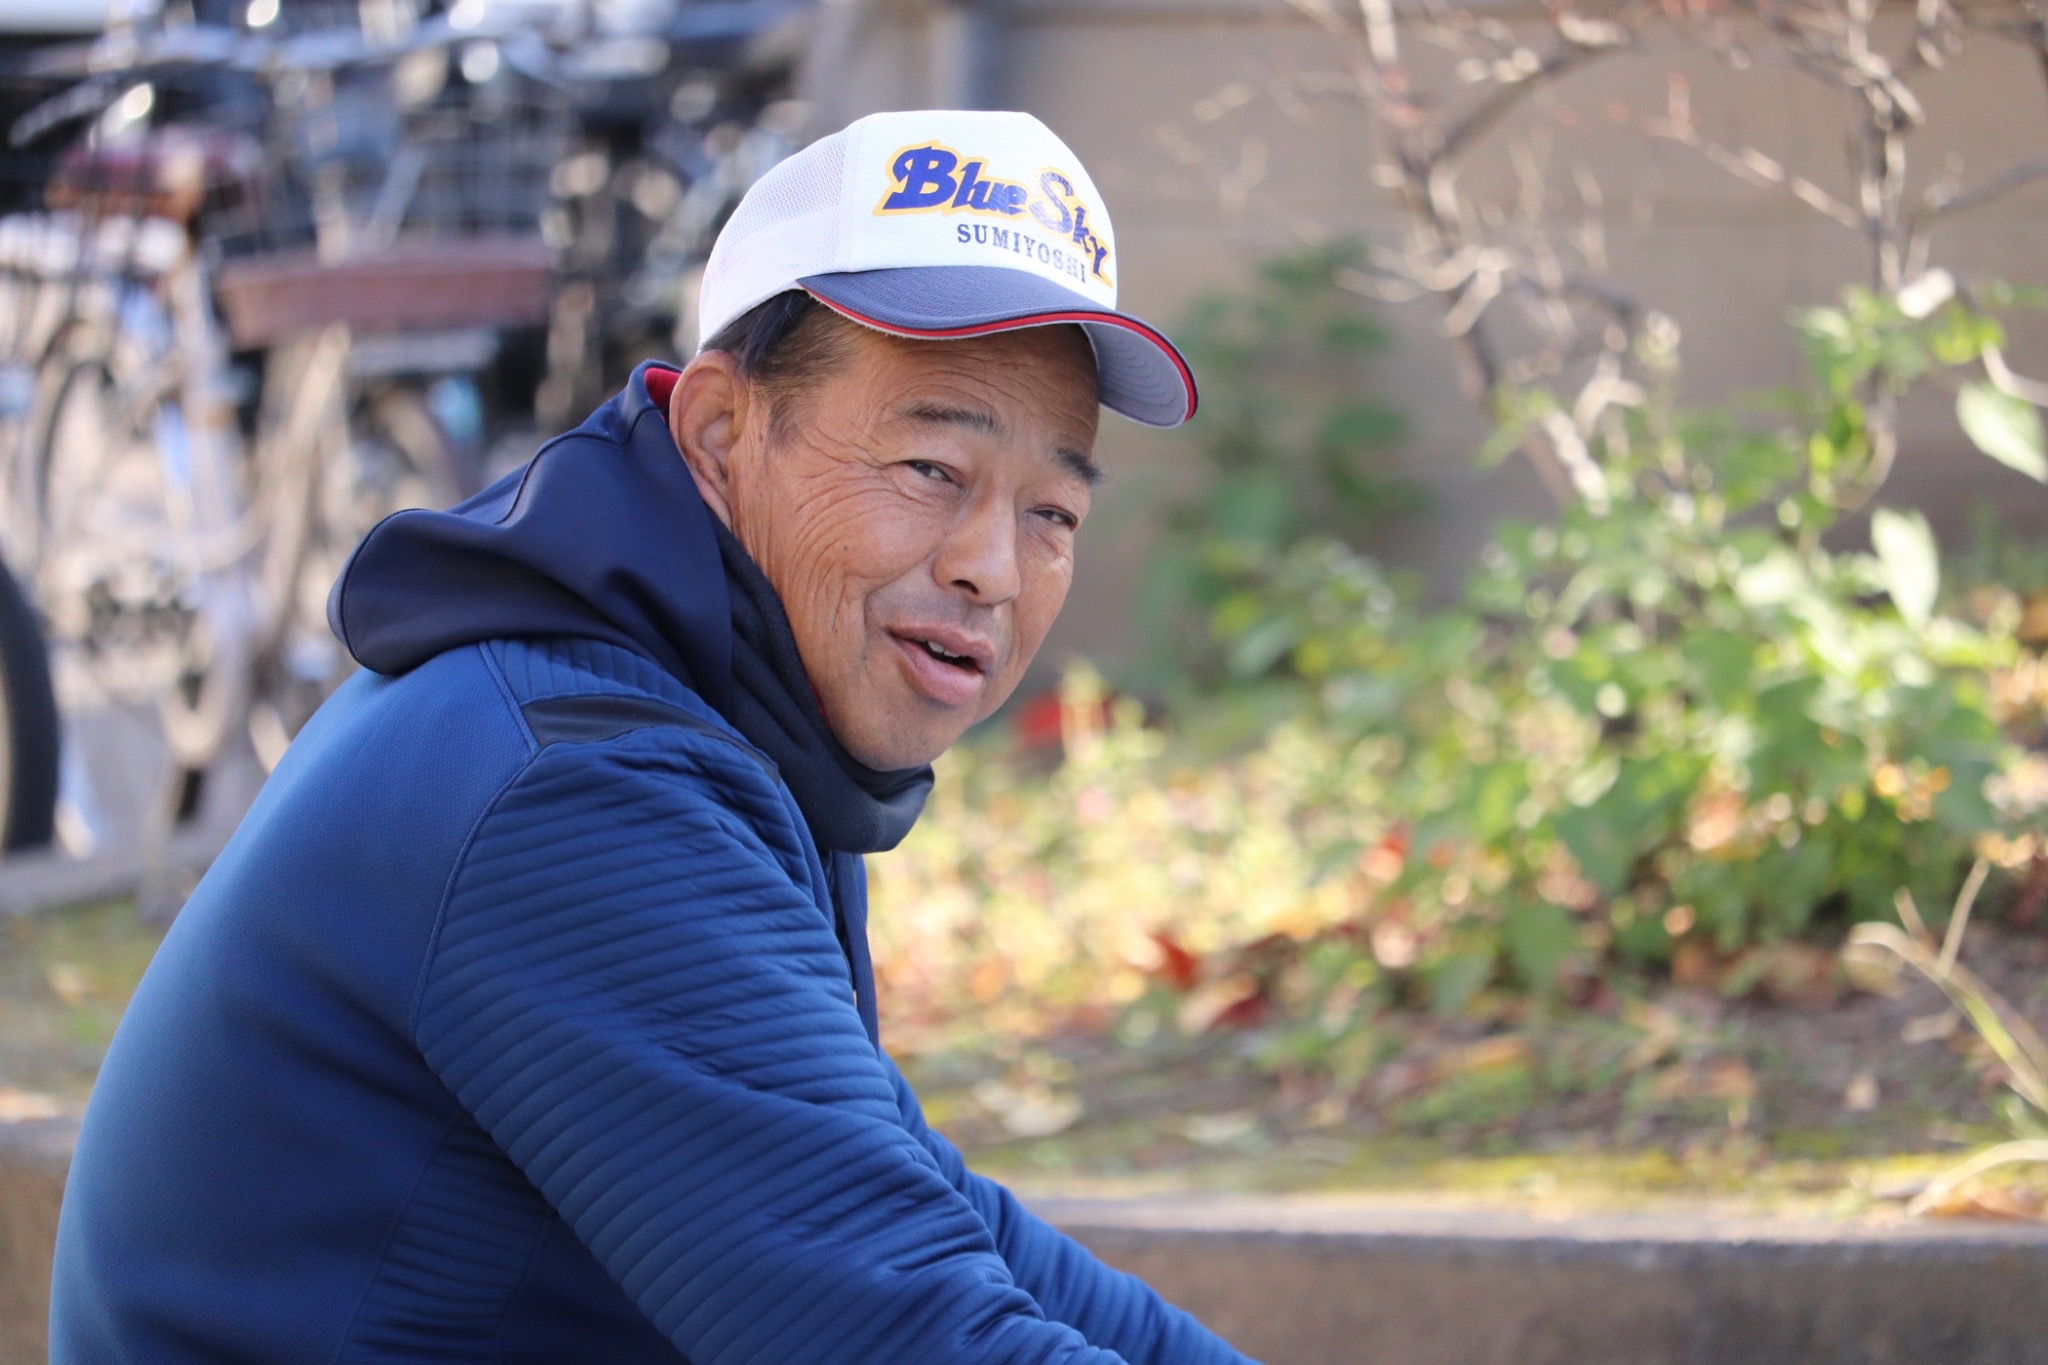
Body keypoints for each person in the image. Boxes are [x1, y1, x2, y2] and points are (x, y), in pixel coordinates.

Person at [49, 109, 1251, 1363]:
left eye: (1051, 512)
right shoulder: (573, 787)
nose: (990, 568)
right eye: (929, 469)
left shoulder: (713, 709)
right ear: (721, 432)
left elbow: (921, 1212)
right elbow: (902, 1331)